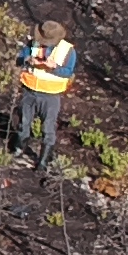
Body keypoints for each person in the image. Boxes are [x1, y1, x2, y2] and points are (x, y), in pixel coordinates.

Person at [11, 21, 80, 170]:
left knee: (48, 128)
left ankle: (43, 162)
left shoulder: (68, 51)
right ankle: (18, 150)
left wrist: (54, 67)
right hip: (29, 90)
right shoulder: (32, 44)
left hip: (51, 96)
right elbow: (19, 59)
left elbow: (68, 72)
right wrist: (28, 59)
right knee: (24, 123)